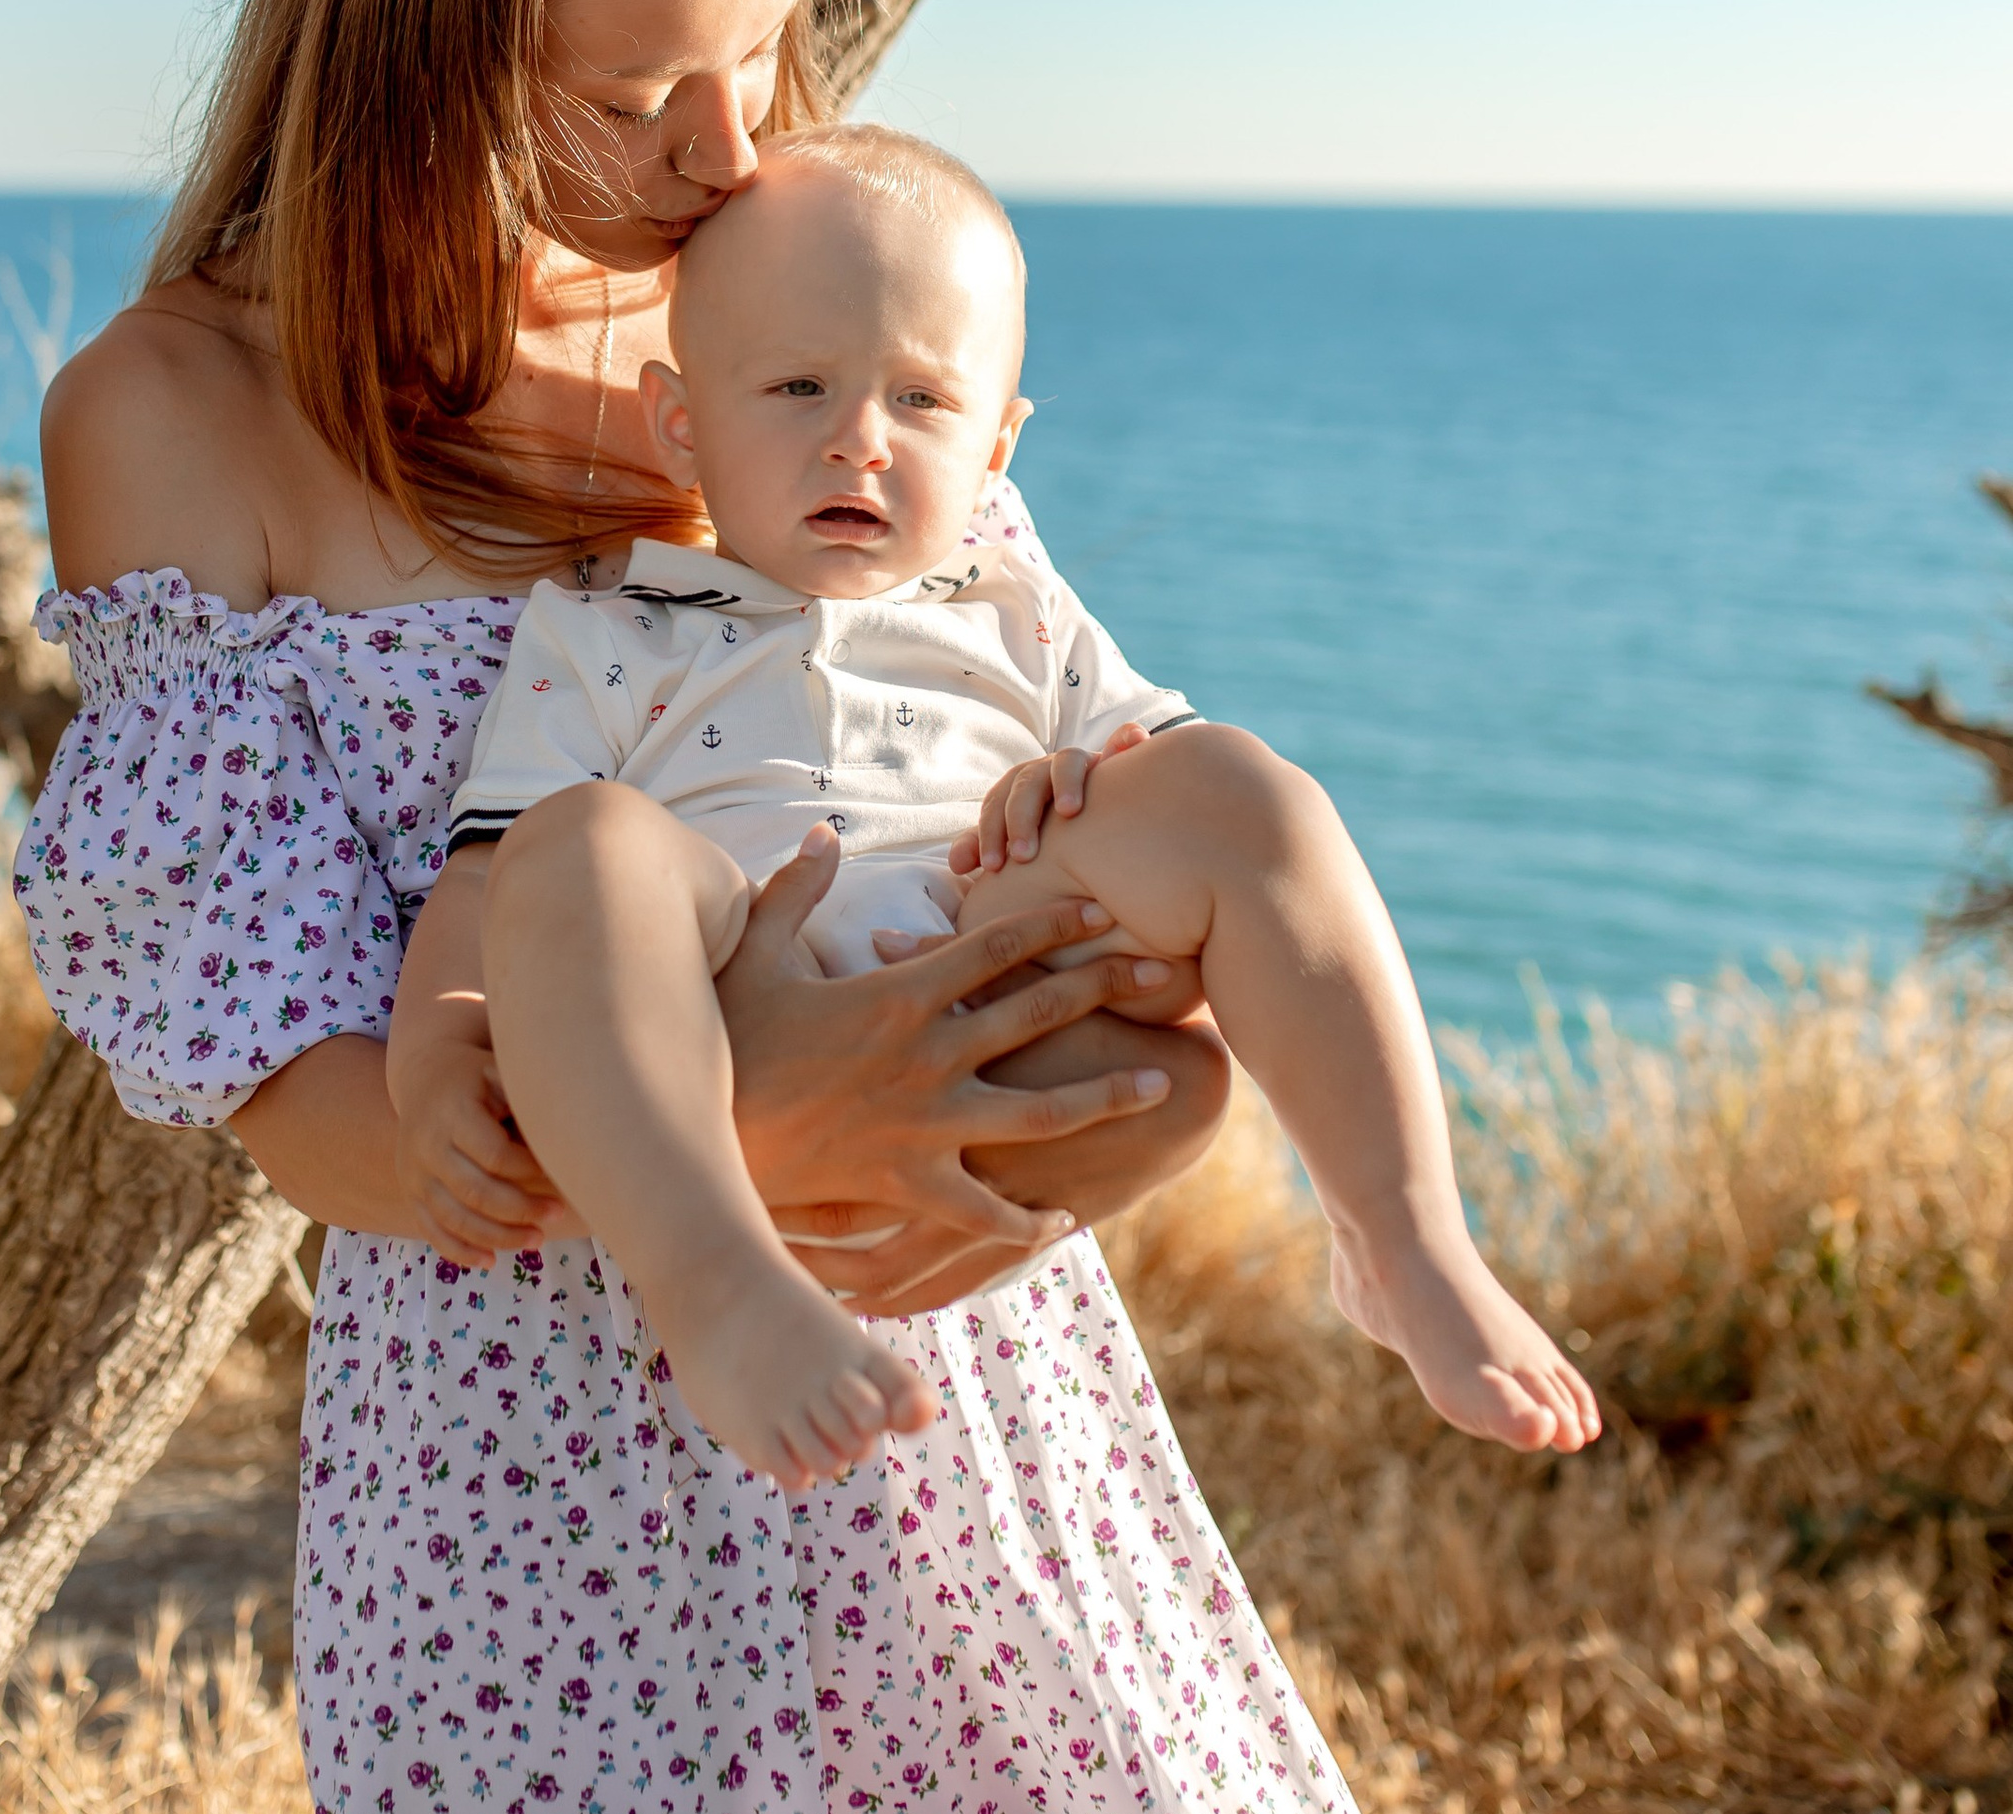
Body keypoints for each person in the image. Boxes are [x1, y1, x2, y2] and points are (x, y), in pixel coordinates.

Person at [19, 0, 1593, 1814]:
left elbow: (1097, 824)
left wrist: (1155, 1103)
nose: (714, 149)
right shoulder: (184, 410)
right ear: (401, 37)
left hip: (977, 1432)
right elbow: (310, 1114)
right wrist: (772, 1114)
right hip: (544, 1522)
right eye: (622, 91)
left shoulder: (806, 306)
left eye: (757, 57)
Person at [392, 121, 1602, 1496]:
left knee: (1240, 796)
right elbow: (491, 890)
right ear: (684, 421)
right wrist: (436, 1059)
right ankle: (714, 1279)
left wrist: (1080, 786)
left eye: (923, 402)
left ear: (997, 448)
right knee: (582, 843)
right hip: (723, 999)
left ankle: (1403, 1238)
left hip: (975, 957)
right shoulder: (616, 625)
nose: (859, 440)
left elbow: (1192, 824)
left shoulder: (1015, 612)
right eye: (795, 387)